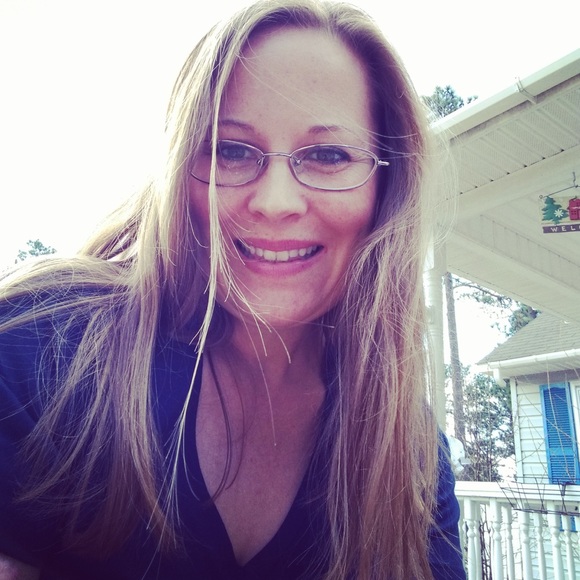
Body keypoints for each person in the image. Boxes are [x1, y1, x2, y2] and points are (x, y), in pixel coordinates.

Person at [0, 1, 466, 578]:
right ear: (181, 171)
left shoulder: (409, 455)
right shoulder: (42, 352)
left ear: (386, 189)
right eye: (231, 150)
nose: (274, 202)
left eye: (328, 155)